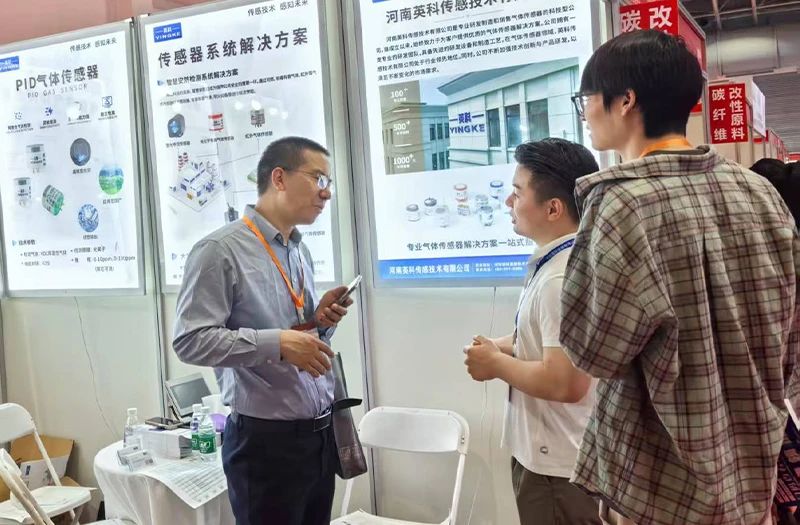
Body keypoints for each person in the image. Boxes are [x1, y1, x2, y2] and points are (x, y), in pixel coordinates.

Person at [561, 30, 800, 525]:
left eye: (587, 98)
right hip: (754, 465)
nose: (585, 112)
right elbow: (791, 337)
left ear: (625, 100)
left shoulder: (621, 204)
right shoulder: (759, 191)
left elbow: (594, 352)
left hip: (663, 484)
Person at [173, 136, 354, 525]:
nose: (326, 193)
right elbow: (190, 340)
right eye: (318, 178)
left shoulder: (298, 250)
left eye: (328, 183)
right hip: (265, 444)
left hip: (318, 437)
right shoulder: (219, 250)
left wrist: (318, 323)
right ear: (279, 178)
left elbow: (293, 335)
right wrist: (278, 343)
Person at [463, 138, 601, 525]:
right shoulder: (561, 261)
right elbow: (549, 341)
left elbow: (565, 382)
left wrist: (494, 364)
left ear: (553, 208)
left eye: (518, 191)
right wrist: (500, 347)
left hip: (557, 466)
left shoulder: (559, 278)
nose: (508, 201)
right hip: (555, 457)